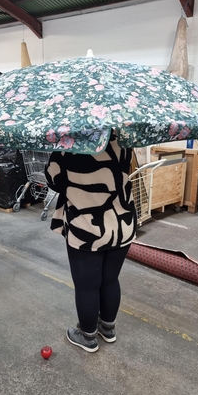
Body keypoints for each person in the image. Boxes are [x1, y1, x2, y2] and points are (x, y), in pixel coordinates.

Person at [44, 129, 137, 353]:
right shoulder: (123, 139)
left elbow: (53, 180)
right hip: (122, 222)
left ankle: (87, 336)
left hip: (87, 224)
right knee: (110, 279)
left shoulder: (67, 143)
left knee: (87, 285)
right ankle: (108, 329)